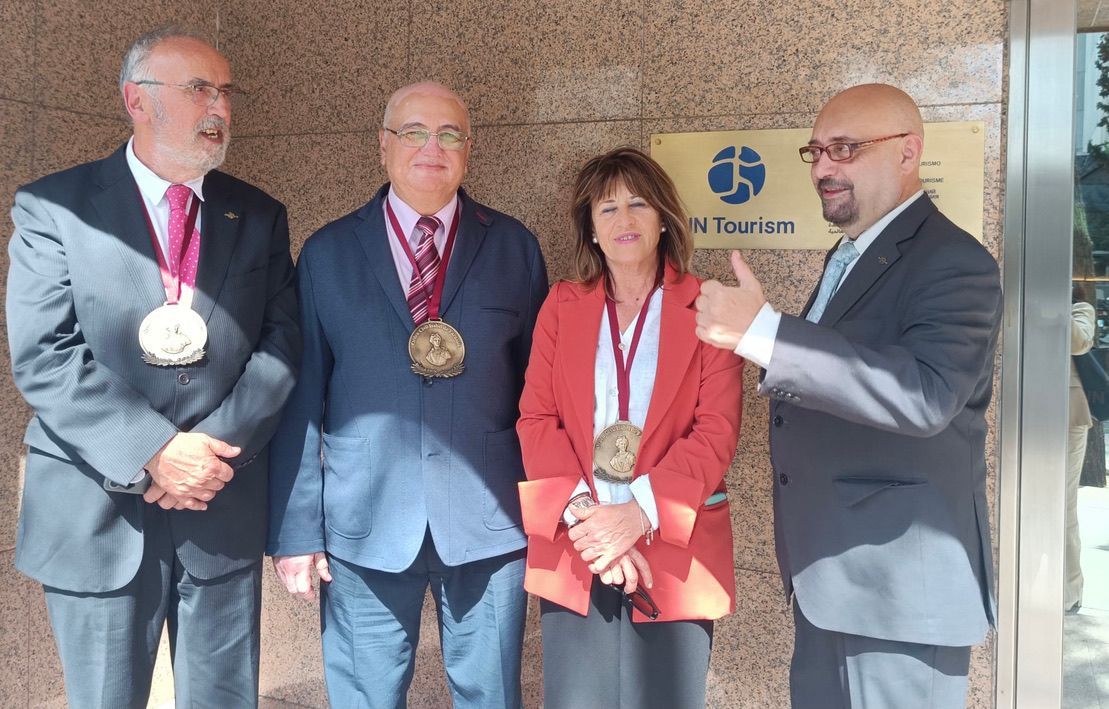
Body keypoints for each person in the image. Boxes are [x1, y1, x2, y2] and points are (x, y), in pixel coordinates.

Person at [6, 27, 300, 707]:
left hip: (218, 501)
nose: (219, 106)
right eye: (199, 89)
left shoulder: (258, 214)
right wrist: (156, 452)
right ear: (135, 100)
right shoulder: (54, 208)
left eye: (225, 92)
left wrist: (207, 453)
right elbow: (45, 352)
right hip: (96, 512)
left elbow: (281, 344)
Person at [694, 83, 1002, 708]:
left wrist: (765, 334)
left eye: (845, 149)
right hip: (833, 585)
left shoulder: (955, 261)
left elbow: (925, 394)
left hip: (899, 596)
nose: (823, 168)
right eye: (816, 151)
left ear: (908, 152)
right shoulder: (854, 253)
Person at [268, 81, 548, 708]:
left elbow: (540, 397)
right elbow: (299, 400)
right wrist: (296, 531)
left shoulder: (514, 248)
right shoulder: (327, 253)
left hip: (489, 522)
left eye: (449, 134)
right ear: (383, 145)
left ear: (468, 150)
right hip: (362, 522)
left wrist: (552, 510)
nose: (432, 147)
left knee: (492, 697)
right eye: (414, 132)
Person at [517, 147, 743, 709]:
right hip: (580, 545)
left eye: (639, 203)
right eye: (608, 207)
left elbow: (716, 431)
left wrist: (637, 513)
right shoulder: (561, 306)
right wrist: (591, 524)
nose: (624, 219)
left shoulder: (707, 305)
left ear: (663, 217)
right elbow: (536, 419)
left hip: (674, 545)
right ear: (591, 229)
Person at [1067, 285, 1097, 613]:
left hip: (1068, 417)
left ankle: (1069, 590)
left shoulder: (1081, 309)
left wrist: (1054, 303)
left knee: (1063, 505)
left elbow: (1078, 342)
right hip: (1029, 412)